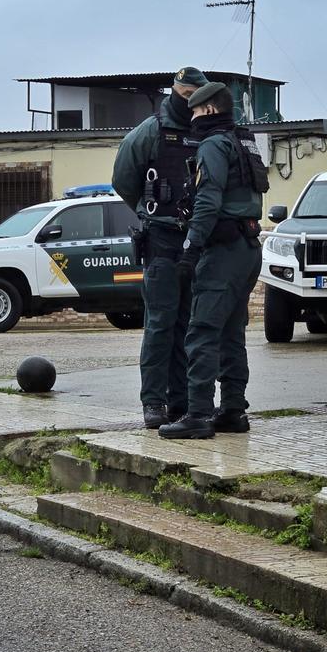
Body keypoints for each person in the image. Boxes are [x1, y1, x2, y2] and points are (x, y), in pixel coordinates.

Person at [159, 81, 267, 440]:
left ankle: (199, 415)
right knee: (231, 332)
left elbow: (208, 200)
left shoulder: (213, 146)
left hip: (222, 250)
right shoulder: (243, 141)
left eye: (193, 111)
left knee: (202, 331)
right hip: (248, 247)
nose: (190, 117)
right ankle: (233, 410)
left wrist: (191, 247)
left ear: (207, 110)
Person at [111, 66, 206, 428]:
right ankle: (153, 402)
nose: (190, 103)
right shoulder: (149, 132)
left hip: (195, 241)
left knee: (188, 325)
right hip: (162, 239)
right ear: (175, 92)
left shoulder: (205, 131)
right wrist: (151, 212)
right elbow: (123, 181)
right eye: (185, 96)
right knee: (160, 325)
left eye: (195, 98)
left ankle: (180, 403)